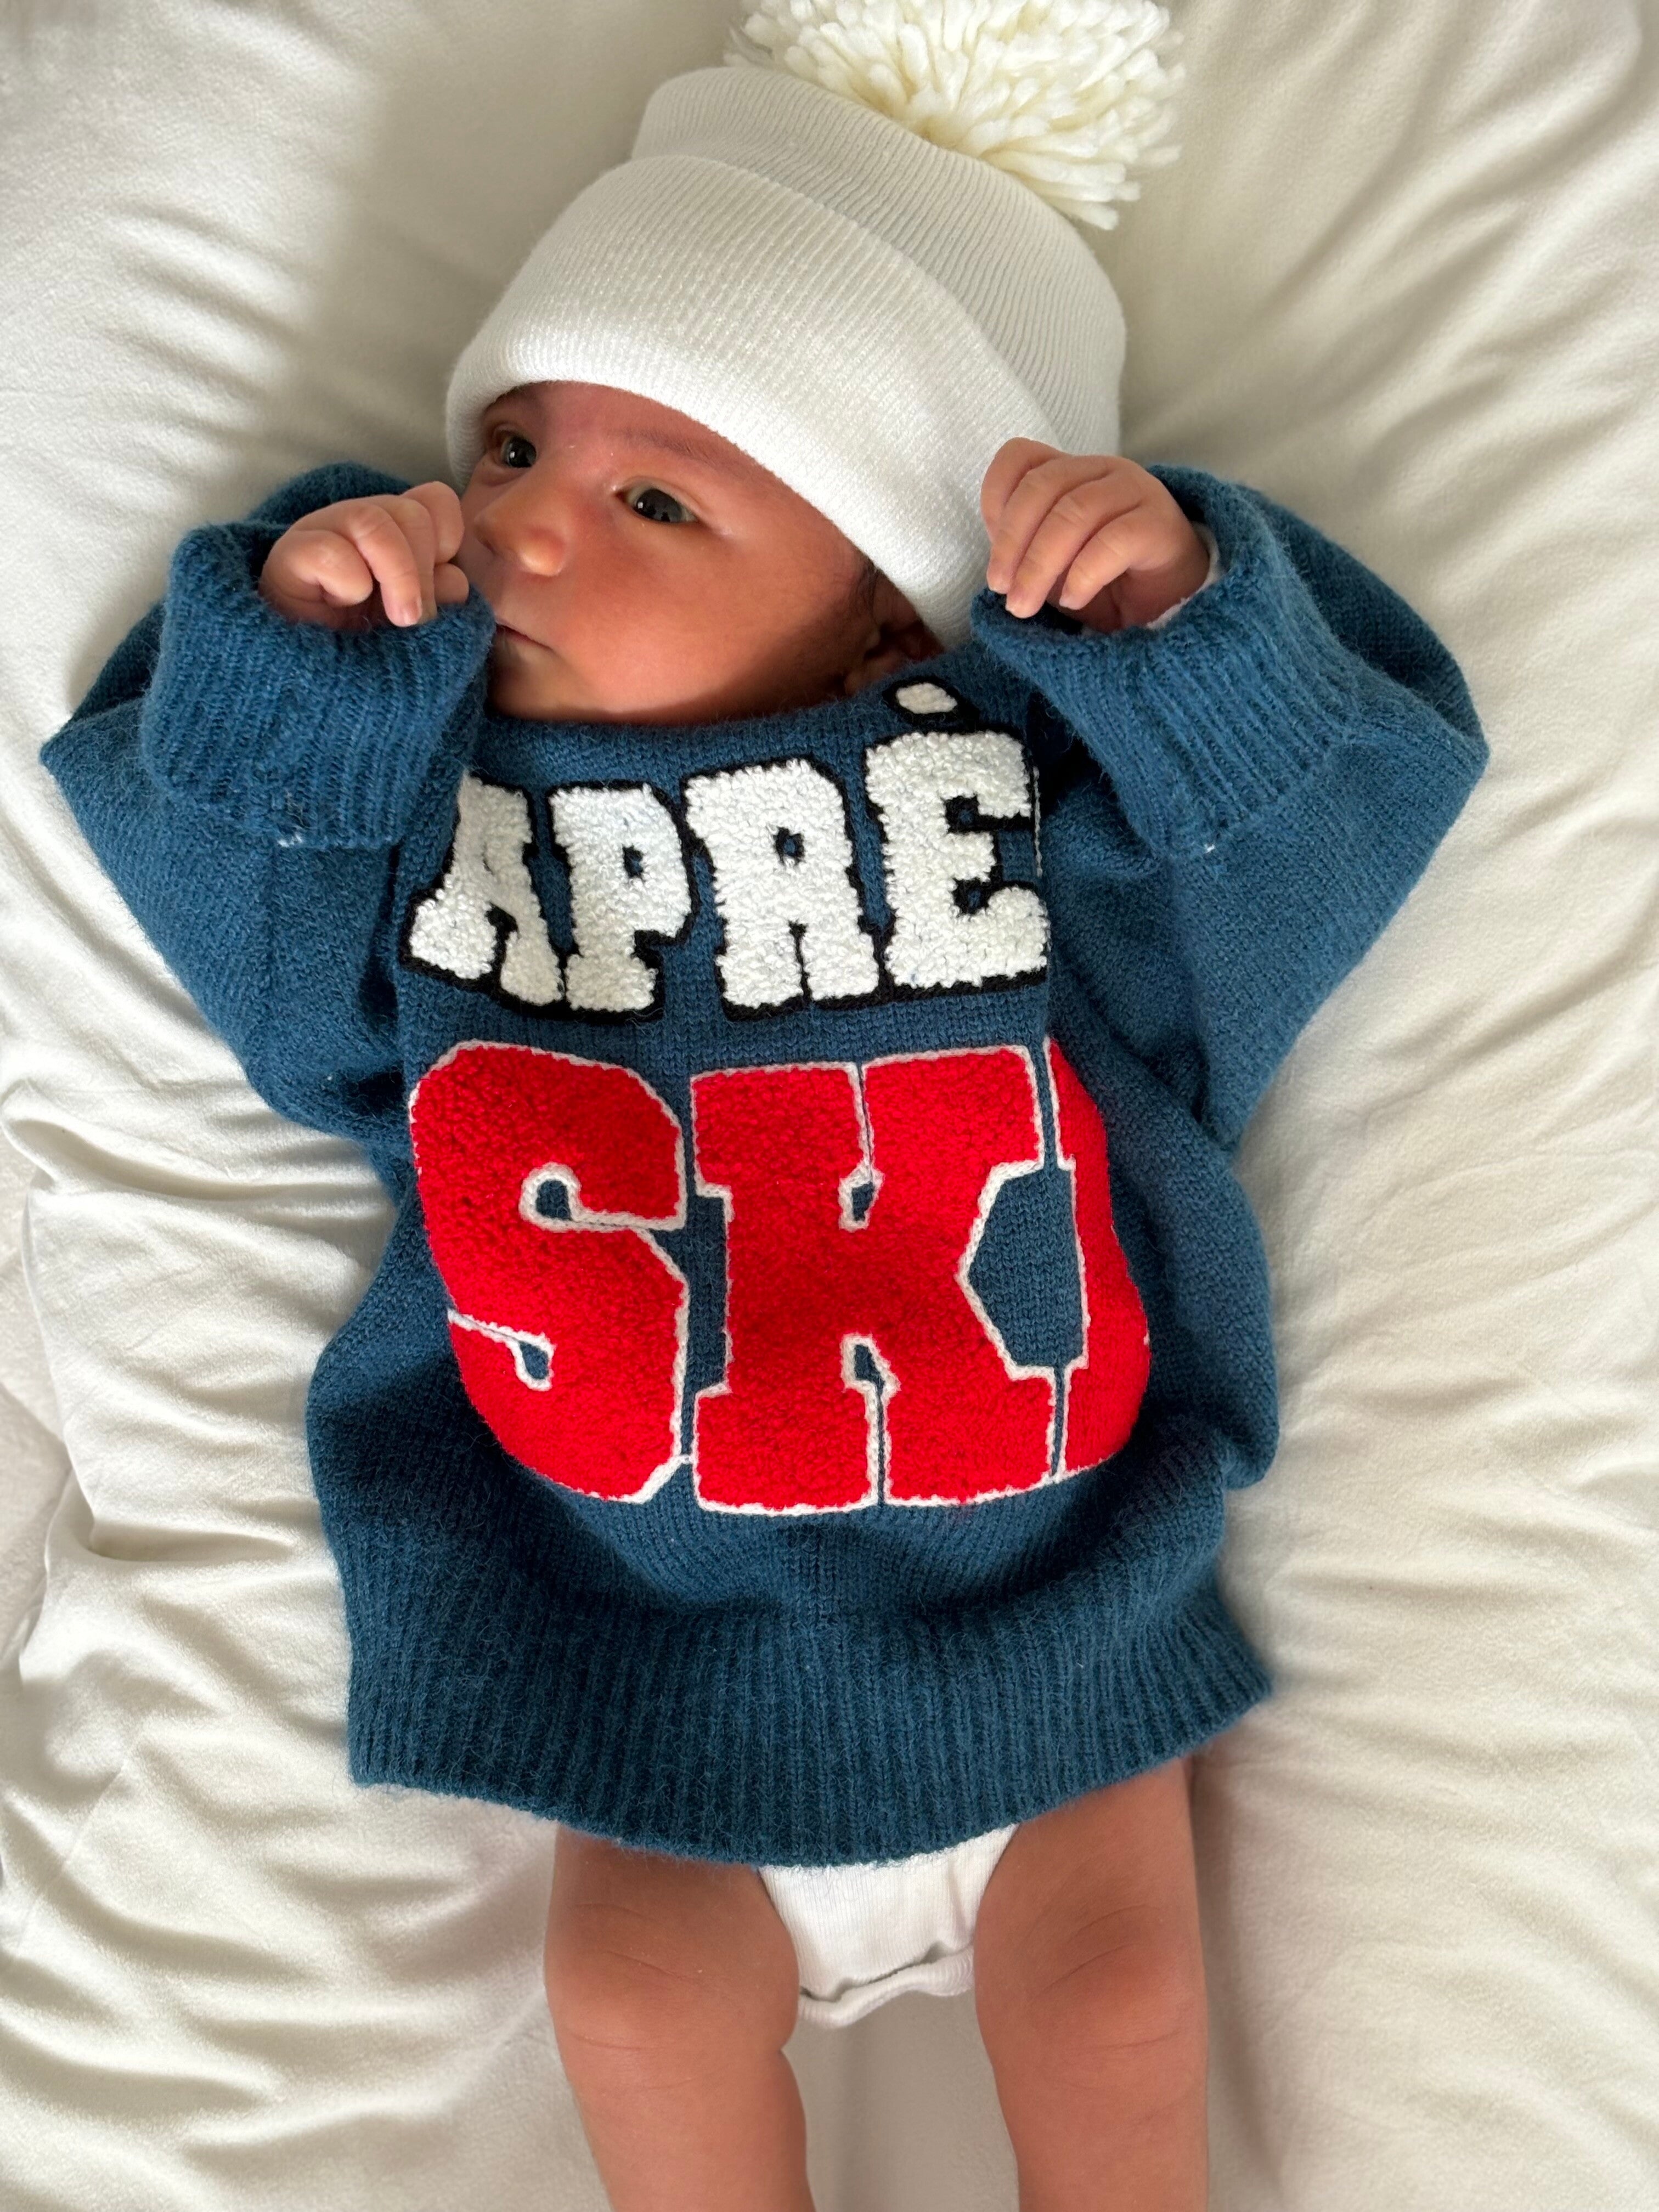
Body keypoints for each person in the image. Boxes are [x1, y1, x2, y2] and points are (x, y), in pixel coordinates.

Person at [40, 6, 1486, 2207]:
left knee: (1115, 2019)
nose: (523, 526)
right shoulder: (457, 830)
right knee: (627, 2013)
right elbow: (274, 995)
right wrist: (302, 679)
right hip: (636, 1667)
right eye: (513, 445)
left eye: (652, 497)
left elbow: (1302, 854)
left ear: (873, 614)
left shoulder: (999, 819)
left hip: (1045, 1645)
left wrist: (1178, 635)